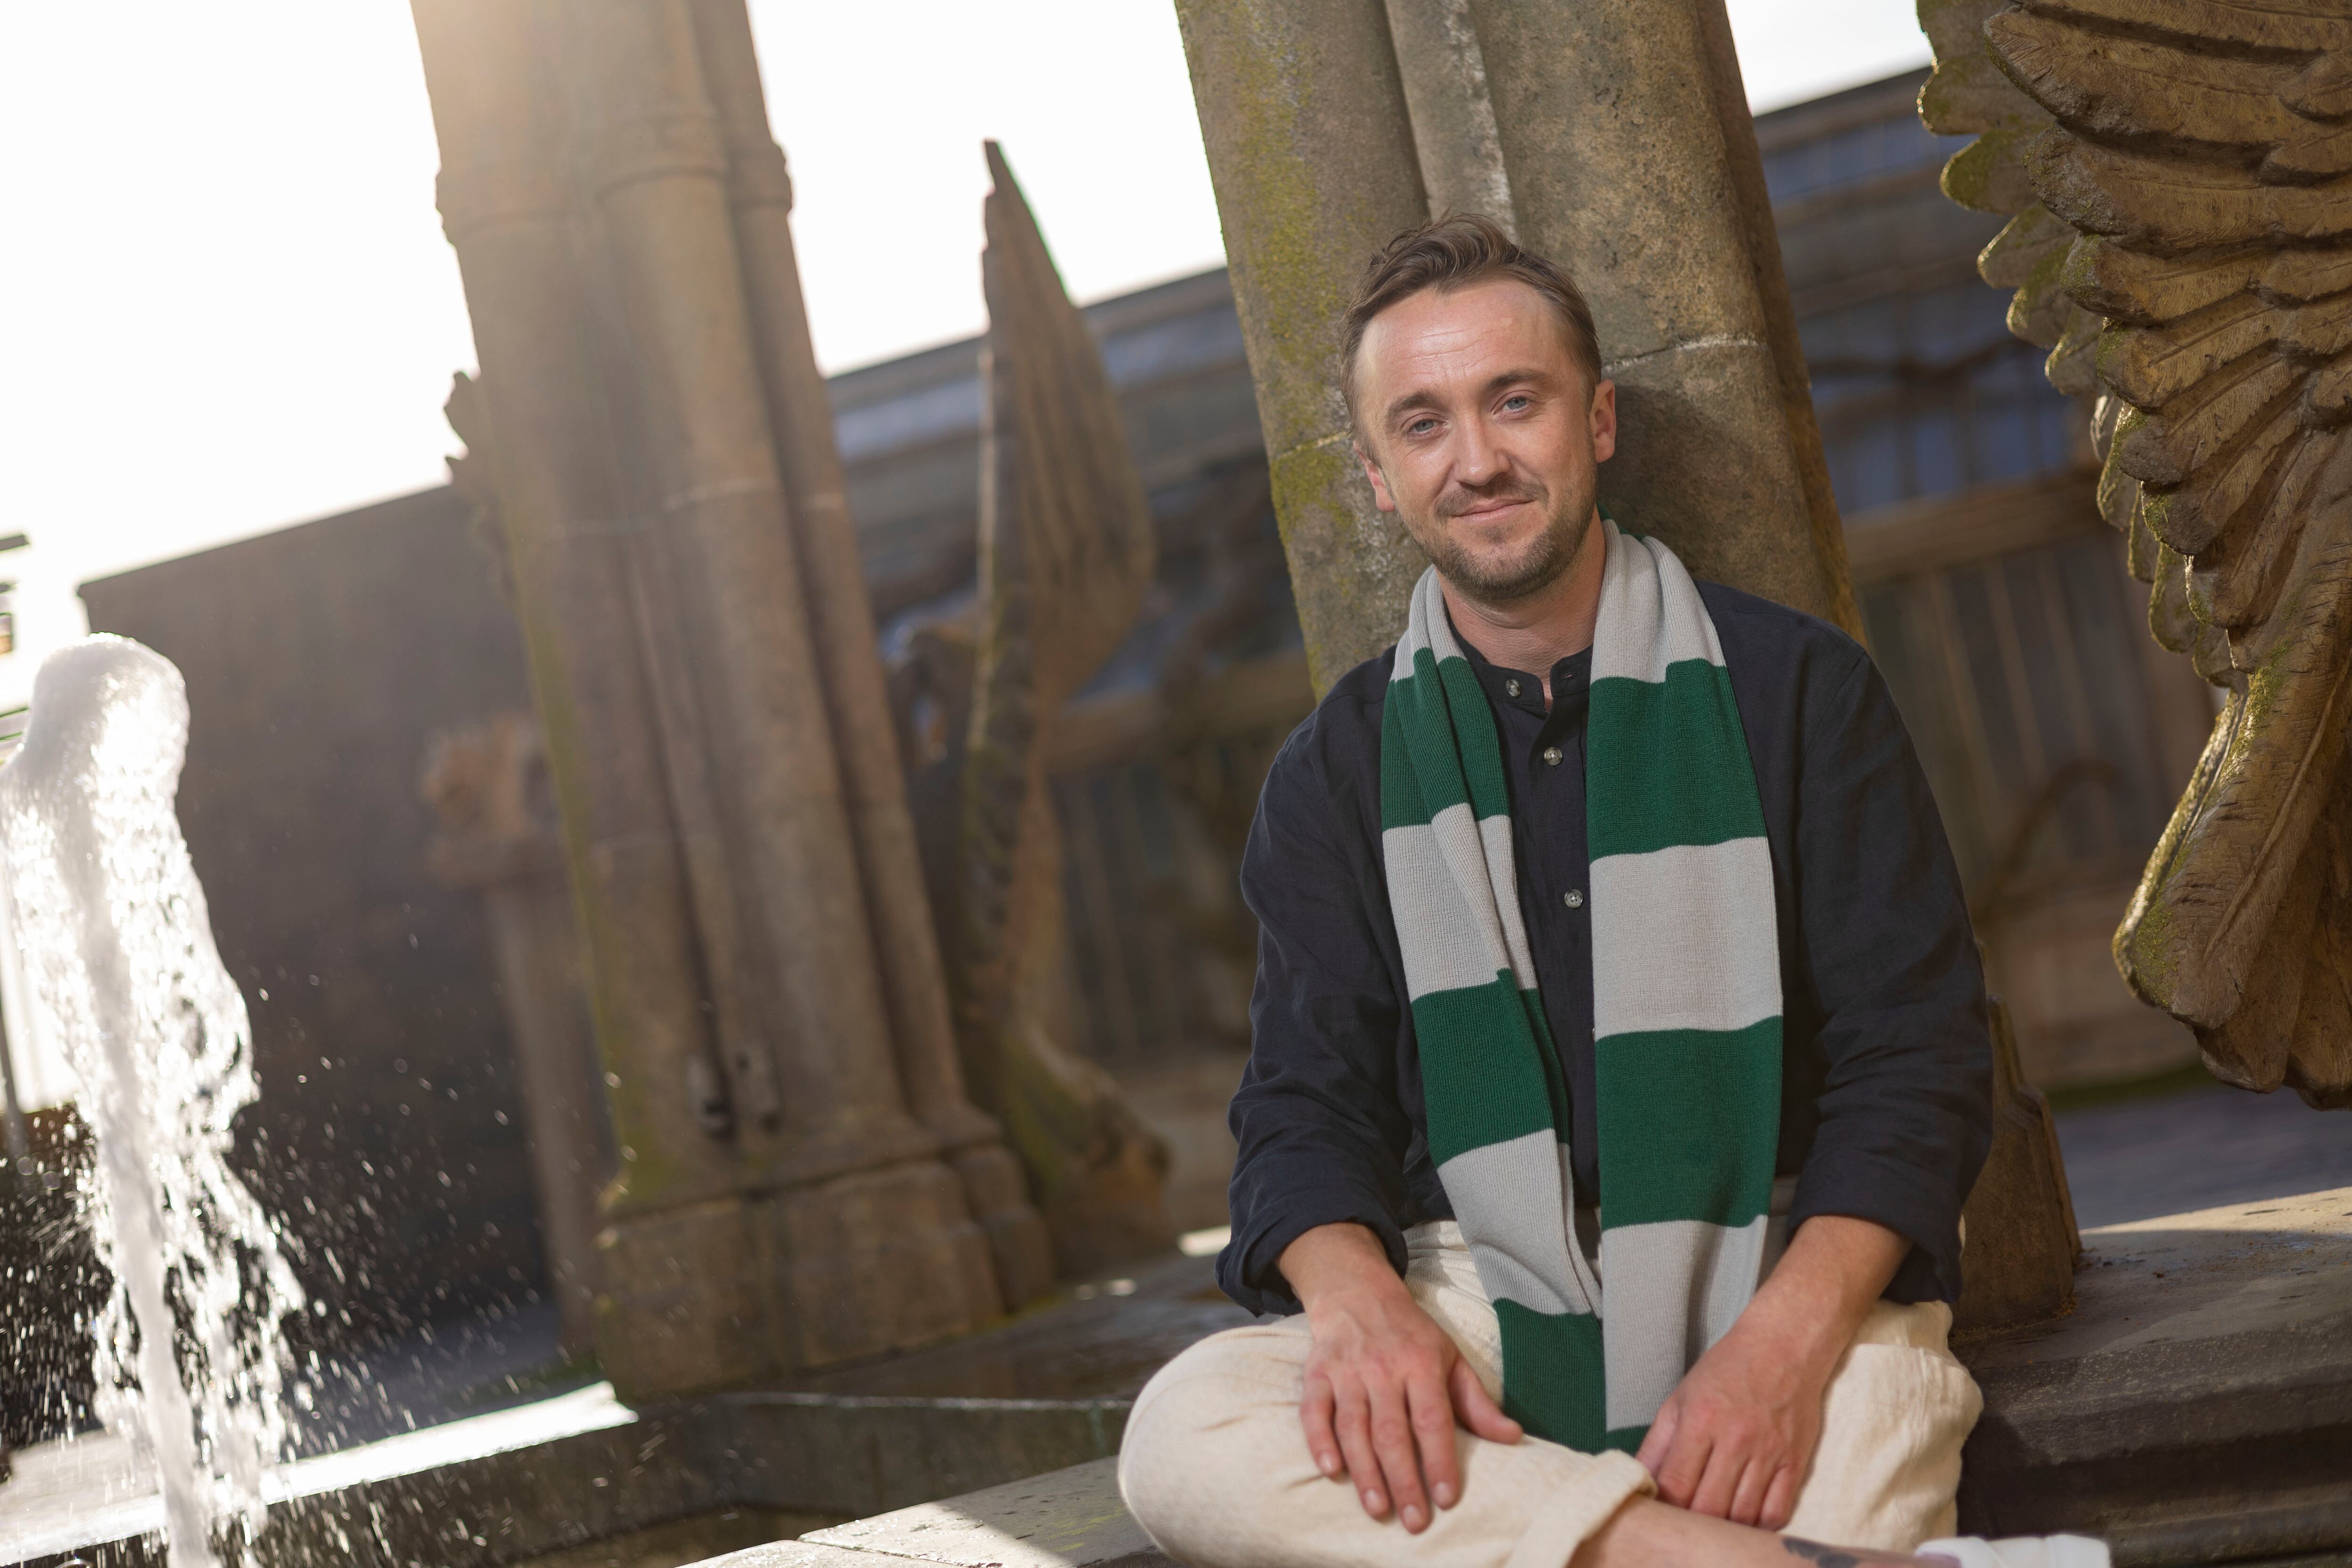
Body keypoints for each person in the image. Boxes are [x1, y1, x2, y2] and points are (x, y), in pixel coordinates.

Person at [1114, 216, 2105, 1568]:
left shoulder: (1800, 694)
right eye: (1423, 424)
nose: (1476, 460)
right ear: (1377, 477)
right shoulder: (1338, 772)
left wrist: (1778, 1351)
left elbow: (1916, 1064)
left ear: (1598, 422)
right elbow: (1305, 1101)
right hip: (1473, 1285)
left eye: (1512, 401)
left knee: (1856, 1430)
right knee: (1188, 1431)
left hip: (1781, 1257)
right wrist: (1361, 1309)